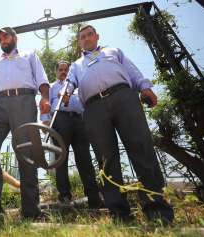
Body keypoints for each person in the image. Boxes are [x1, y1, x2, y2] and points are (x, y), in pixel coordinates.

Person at [65, 25, 174, 223]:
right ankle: (120, 215)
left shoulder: (113, 51)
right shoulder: (75, 65)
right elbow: (70, 82)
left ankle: (157, 210)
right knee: (106, 160)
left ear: (97, 36)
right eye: (83, 37)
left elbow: (132, 70)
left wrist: (145, 87)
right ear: (79, 42)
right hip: (93, 107)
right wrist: (65, 91)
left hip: (124, 97)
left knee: (141, 148)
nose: (87, 38)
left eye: (90, 34)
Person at [0, 27, 51, 232]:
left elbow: (42, 79)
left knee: (25, 152)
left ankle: (31, 210)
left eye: (5, 35)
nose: (2, 39)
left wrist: (44, 98)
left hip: (23, 100)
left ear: (15, 37)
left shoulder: (29, 55)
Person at [49, 60, 102, 208]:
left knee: (84, 158)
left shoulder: (77, 88)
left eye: (66, 69)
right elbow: (46, 107)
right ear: (56, 71)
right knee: (61, 160)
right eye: (60, 69)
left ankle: (93, 197)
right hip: (60, 121)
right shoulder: (52, 87)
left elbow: (83, 106)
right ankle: (64, 196)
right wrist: (47, 124)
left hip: (79, 121)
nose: (63, 72)